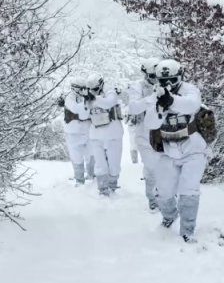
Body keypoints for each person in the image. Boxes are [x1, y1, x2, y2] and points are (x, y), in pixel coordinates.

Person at [145, 59, 208, 242]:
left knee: (189, 188)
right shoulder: (155, 95)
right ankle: (169, 217)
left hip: (193, 148)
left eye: (172, 80)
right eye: (163, 81)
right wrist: (159, 107)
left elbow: (192, 105)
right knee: (164, 191)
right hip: (167, 149)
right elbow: (150, 123)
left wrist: (171, 100)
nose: (167, 84)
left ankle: (187, 230)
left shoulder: (190, 90)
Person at [127, 58, 161, 211]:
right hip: (145, 134)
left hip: (167, 133)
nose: (156, 79)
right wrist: (152, 98)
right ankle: (153, 201)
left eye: (158, 75)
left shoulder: (167, 84)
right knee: (152, 167)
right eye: (153, 76)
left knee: (168, 167)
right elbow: (133, 107)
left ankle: (168, 198)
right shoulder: (138, 87)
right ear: (146, 74)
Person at [83, 74, 124, 196]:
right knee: (100, 164)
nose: (93, 92)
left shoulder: (110, 93)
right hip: (96, 135)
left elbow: (109, 103)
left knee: (114, 163)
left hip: (113, 134)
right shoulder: (89, 98)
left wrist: (94, 99)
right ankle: (102, 189)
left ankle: (112, 186)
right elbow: (85, 113)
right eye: (90, 90)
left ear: (101, 85)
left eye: (95, 89)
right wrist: (87, 100)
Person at [60, 77, 95, 186]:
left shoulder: (88, 96)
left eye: (85, 88)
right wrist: (86, 101)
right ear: (75, 88)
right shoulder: (69, 97)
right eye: (82, 88)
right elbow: (75, 109)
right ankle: (79, 180)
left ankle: (91, 175)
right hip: (73, 132)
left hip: (88, 130)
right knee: (76, 156)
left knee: (92, 153)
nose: (84, 90)